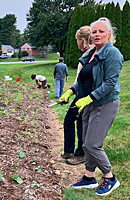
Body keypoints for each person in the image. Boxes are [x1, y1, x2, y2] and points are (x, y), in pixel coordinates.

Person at [60, 17, 123, 196]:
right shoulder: (90, 54)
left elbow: (110, 83)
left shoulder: (113, 54)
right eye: (94, 32)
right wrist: (71, 91)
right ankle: (89, 177)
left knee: (93, 144)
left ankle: (110, 177)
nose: (97, 35)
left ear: (109, 34)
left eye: (101, 31)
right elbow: (84, 80)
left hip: (105, 103)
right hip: (89, 104)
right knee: (86, 144)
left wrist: (90, 98)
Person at [61, 26, 94, 165]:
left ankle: (81, 154)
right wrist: (70, 92)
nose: (77, 43)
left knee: (81, 124)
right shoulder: (85, 55)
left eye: (77, 40)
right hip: (79, 93)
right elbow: (78, 81)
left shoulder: (92, 55)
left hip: (87, 95)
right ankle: (69, 151)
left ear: (81, 40)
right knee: (69, 120)